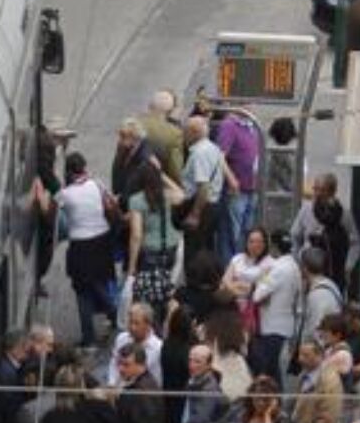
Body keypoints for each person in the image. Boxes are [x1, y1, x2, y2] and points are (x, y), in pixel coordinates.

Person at [54, 152, 122, 350]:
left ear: (67, 171)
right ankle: (116, 316)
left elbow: (52, 212)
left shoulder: (65, 194)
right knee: (101, 283)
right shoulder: (97, 184)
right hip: (102, 241)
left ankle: (92, 335)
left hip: (81, 247)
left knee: (83, 292)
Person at [123, 161, 182, 326]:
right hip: (171, 248)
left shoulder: (137, 200)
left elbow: (136, 235)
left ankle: (151, 327)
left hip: (150, 253)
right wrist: (162, 175)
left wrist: (132, 267)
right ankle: (164, 323)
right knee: (166, 289)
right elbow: (182, 194)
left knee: (148, 295)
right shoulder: (168, 195)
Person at [212, 103, 262, 261]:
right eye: (245, 103)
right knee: (231, 232)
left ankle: (242, 264)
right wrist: (231, 178)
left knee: (246, 232)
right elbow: (220, 156)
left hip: (252, 188)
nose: (251, 106)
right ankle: (228, 266)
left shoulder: (253, 125)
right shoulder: (229, 126)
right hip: (236, 190)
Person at [178, 113, 230, 264]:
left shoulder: (199, 153)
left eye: (185, 131)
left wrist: (195, 214)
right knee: (206, 248)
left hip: (201, 207)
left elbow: (203, 186)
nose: (184, 135)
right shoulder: (213, 148)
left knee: (194, 251)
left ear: (194, 132)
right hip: (213, 205)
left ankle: (195, 281)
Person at [248, 240, 300, 380]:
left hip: (271, 327)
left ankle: (276, 400)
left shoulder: (277, 268)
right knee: (274, 371)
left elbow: (257, 296)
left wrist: (262, 277)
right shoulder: (295, 266)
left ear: (274, 247)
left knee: (269, 373)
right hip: (286, 325)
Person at [139, 89, 185, 186]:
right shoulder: (174, 134)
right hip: (157, 191)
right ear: (170, 111)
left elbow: (119, 162)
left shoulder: (133, 124)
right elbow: (175, 172)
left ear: (150, 106)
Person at [109, 117, 156, 207]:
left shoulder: (144, 157)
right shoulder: (123, 147)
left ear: (135, 137)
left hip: (132, 204)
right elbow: (117, 168)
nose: (120, 140)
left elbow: (137, 185)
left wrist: (120, 199)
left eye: (123, 136)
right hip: (120, 195)